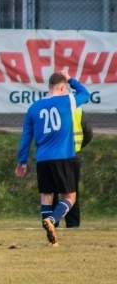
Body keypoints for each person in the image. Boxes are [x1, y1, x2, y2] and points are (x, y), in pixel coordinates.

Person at [15, 71, 89, 246]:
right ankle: (53, 220)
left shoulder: (33, 108)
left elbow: (26, 136)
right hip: (63, 157)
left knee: (46, 197)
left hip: (42, 159)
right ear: (63, 87)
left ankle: (52, 237)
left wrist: (22, 161)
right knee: (70, 197)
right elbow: (85, 95)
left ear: (49, 87)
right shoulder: (67, 100)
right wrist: (71, 79)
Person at [53, 108, 93, 228]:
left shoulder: (50, 108)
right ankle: (73, 223)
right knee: (72, 191)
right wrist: (77, 148)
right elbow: (88, 133)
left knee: (51, 191)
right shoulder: (78, 111)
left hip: (52, 155)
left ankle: (52, 221)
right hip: (72, 156)